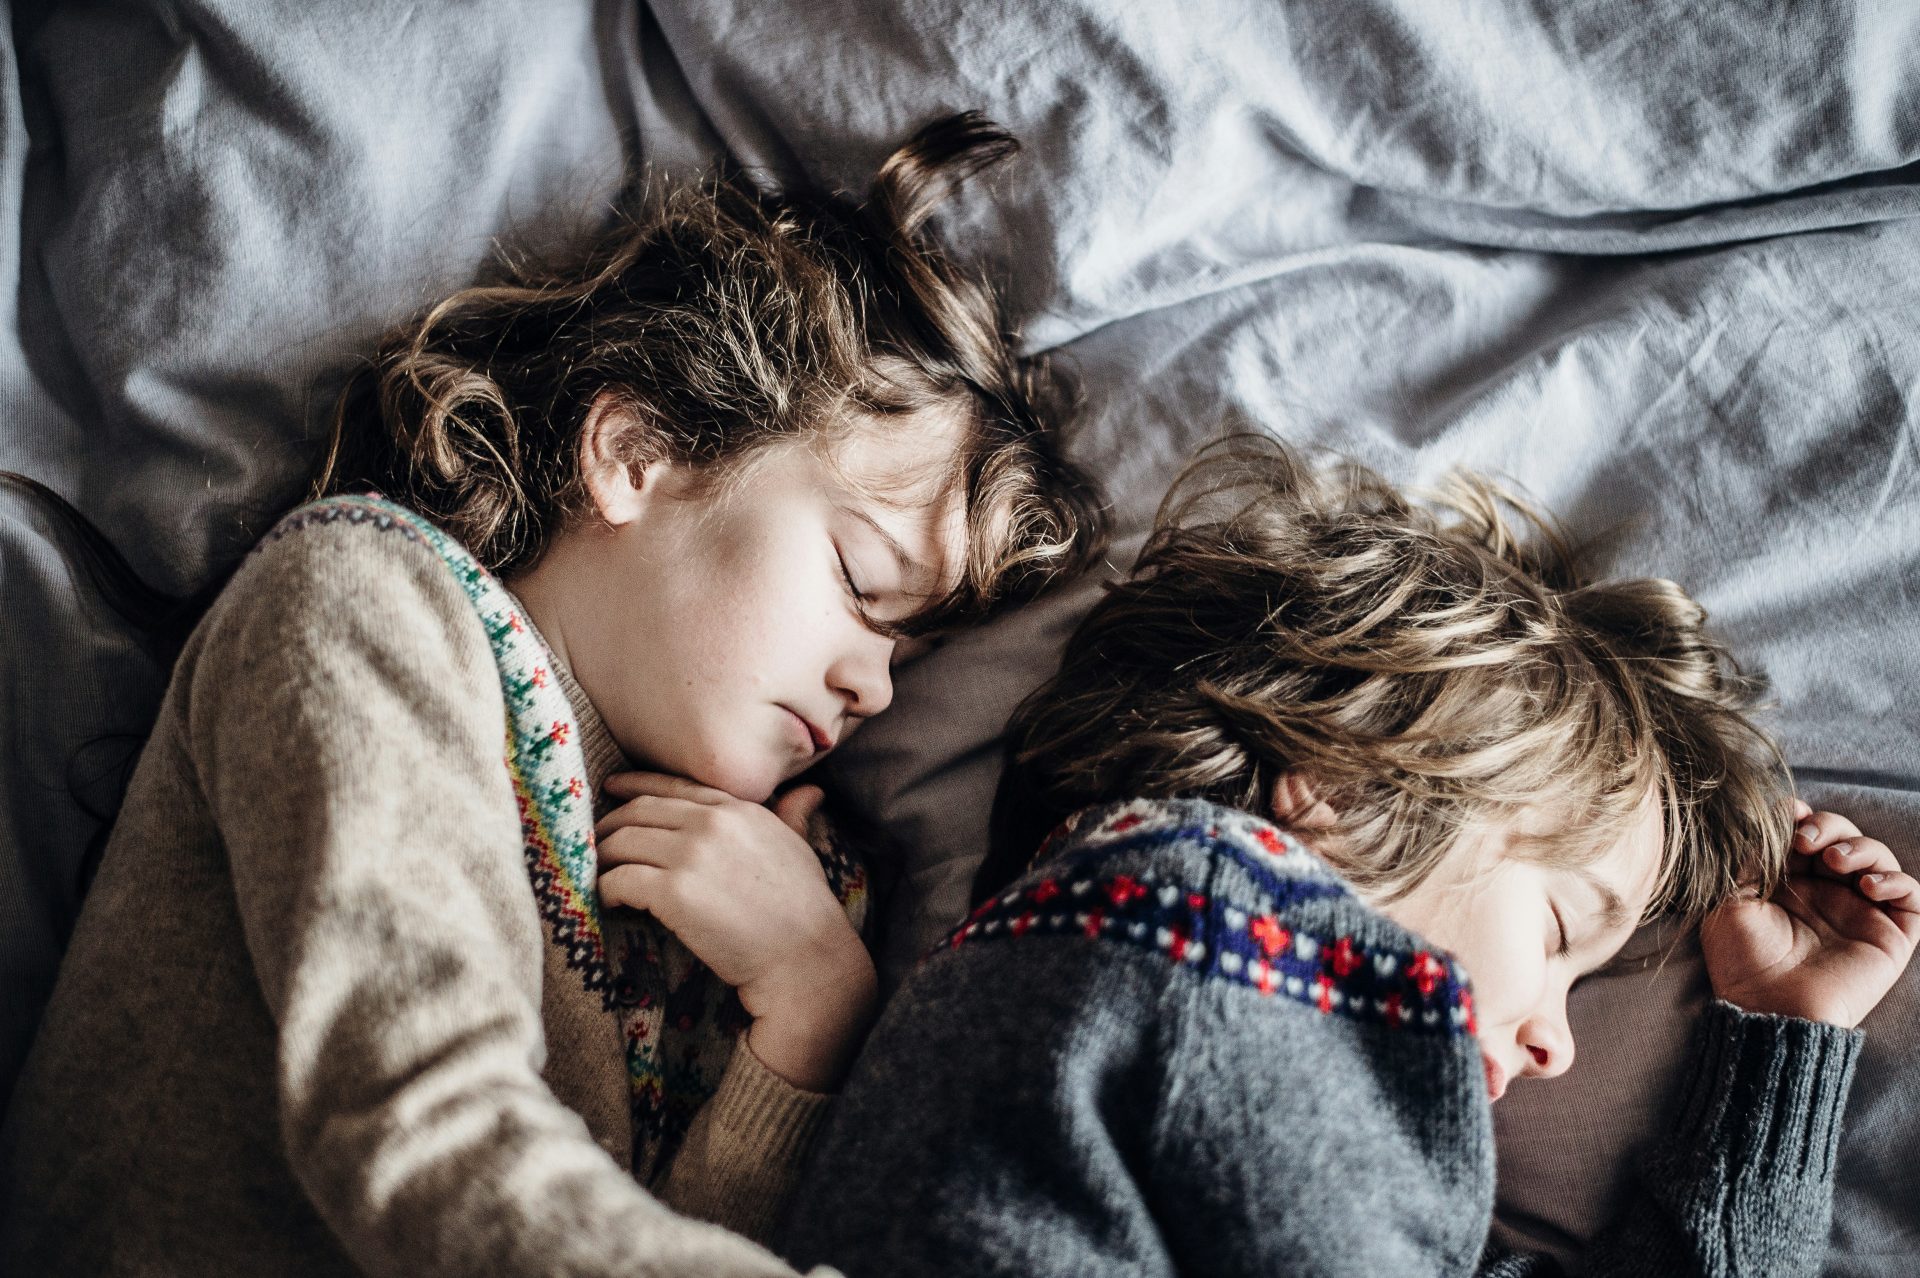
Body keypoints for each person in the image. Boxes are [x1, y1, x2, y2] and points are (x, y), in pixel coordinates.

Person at [0, 113, 1103, 1277]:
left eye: (908, 656)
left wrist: (810, 1024)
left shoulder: (776, 900)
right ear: (634, 453)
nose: (874, 685)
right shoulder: (365, 604)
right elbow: (425, 1136)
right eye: (861, 583)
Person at [781, 439, 1917, 1278]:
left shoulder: (1234, 1013)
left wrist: (1784, 1040)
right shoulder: (1193, 921)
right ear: (1347, 787)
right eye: (1559, 932)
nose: (1557, 1045)